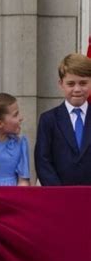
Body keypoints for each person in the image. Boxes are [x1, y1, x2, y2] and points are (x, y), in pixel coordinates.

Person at [34, 53, 91, 185]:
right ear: (61, 84)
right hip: (60, 195)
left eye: (83, 83)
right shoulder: (48, 119)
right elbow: (43, 160)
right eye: (71, 84)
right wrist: (58, 193)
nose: (77, 89)